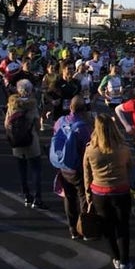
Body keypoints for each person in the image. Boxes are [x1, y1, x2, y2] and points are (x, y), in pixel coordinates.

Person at [84, 113, 135, 269]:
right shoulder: (123, 148)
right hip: (120, 190)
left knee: (108, 227)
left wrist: (88, 195)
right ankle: (125, 261)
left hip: (99, 192)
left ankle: (116, 257)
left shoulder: (90, 149)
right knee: (123, 226)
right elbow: (130, 166)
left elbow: (87, 174)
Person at [50, 96, 93, 239]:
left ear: (70, 107)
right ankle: (85, 228)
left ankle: (72, 228)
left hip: (64, 165)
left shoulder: (60, 121)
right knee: (83, 197)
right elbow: (88, 146)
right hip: (78, 167)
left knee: (68, 197)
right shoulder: (83, 127)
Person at [5, 79, 46, 208]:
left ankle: (26, 196)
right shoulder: (32, 106)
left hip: (17, 141)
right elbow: (38, 125)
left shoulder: (12, 105)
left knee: (22, 170)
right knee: (36, 170)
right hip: (31, 141)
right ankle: (37, 198)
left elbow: (6, 124)